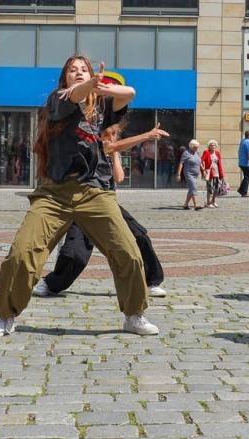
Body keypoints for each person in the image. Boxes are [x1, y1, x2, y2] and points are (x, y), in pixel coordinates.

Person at [0, 56, 156, 339]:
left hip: (94, 192)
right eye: (72, 71)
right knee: (22, 253)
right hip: (54, 194)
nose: (78, 73)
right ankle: (5, 315)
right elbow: (77, 94)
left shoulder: (100, 107)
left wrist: (100, 89)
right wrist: (90, 84)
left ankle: (134, 314)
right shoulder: (59, 99)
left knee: (128, 251)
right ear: (64, 79)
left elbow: (130, 93)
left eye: (83, 70)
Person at [36, 113, 171, 300]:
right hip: (84, 204)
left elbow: (119, 177)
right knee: (74, 253)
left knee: (139, 236)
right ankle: (51, 284)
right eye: (108, 133)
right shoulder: (92, 146)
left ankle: (151, 281)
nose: (112, 137)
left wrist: (115, 152)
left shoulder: (111, 149)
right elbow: (111, 146)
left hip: (108, 205)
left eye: (115, 133)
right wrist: (147, 136)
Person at [179, 139, 203, 209]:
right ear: (191, 146)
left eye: (197, 147)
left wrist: (203, 171)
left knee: (191, 189)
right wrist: (178, 174)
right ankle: (196, 205)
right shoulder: (186, 153)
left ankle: (185, 205)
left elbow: (199, 162)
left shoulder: (197, 153)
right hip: (188, 173)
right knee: (193, 187)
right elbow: (181, 164)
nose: (196, 148)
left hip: (195, 174)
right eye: (195, 147)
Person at [202, 139, 226, 207]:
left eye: (214, 145)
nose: (213, 146)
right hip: (209, 173)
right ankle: (208, 202)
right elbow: (202, 161)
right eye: (211, 145)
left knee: (216, 188)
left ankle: (213, 201)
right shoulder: (206, 152)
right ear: (209, 146)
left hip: (216, 172)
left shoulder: (217, 153)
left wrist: (222, 174)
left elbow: (219, 164)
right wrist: (204, 170)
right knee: (209, 188)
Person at [236, 131, 249, 197]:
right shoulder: (248, 142)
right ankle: (244, 192)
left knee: (246, 177)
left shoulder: (243, 141)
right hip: (246, 163)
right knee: (247, 178)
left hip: (242, 162)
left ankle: (241, 189)